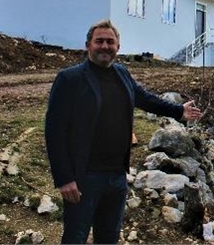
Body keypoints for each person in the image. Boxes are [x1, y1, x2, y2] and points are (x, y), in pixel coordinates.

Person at [44, 19, 202, 244]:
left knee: (109, 238)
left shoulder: (122, 74)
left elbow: (145, 98)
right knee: (75, 237)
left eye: (110, 41)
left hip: (117, 176)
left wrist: (178, 111)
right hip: (84, 177)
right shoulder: (69, 79)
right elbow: (54, 131)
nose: (105, 46)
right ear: (88, 45)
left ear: (118, 46)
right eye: (99, 41)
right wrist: (64, 178)